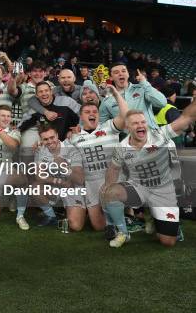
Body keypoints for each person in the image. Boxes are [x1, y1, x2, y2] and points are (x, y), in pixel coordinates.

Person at [102, 99, 196, 248]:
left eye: (143, 122)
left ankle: (154, 216)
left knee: (168, 242)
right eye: (135, 123)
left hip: (163, 191)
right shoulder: (121, 147)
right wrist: (107, 188)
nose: (140, 125)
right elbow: (113, 169)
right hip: (139, 188)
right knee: (112, 192)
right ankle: (123, 233)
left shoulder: (160, 135)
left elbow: (186, 118)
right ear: (127, 127)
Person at [68, 85, 128, 234]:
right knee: (99, 226)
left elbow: (126, 115)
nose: (92, 113)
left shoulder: (109, 127)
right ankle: (110, 215)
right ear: (81, 117)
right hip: (91, 183)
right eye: (87, 112)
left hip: (113, 179)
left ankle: (128, 215)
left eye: (95, 111)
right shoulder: (74, 138)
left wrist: (115, 94)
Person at [33, 124, 86, 229]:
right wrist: (59, 181)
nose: (49, 141)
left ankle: (77, 211)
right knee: (35, 188)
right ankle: (51, 216)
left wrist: (64, 166)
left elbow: (80, 179)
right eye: (45, 139)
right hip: (56, 186)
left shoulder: (71, 149)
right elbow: (39, 175)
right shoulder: (41, 150)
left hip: (73, 188)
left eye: (52, 137)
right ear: (41, 140)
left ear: (57, 135)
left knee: (76, 226)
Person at [99, 64, 166, 128]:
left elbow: (162, 103)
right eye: (116, 72)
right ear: (111, 77)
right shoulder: (107, 100)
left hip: (152, 135)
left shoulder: (142, 88)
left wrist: (145, 83)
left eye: (123, 71)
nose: (120, 74)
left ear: (128, 74)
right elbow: (101, 124)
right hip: (128, 138)